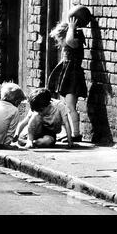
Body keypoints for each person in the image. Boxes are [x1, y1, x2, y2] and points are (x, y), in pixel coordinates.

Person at [47, 14, 89, 142]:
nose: (59, 42)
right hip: (68, 76)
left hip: (73, 77)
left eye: (60, 38)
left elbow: (70, 41)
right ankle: (71, 133)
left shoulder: (74, 41)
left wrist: (71, 28)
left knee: (71, 106)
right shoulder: (67, 44)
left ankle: (76, 134)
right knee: (67, 106)